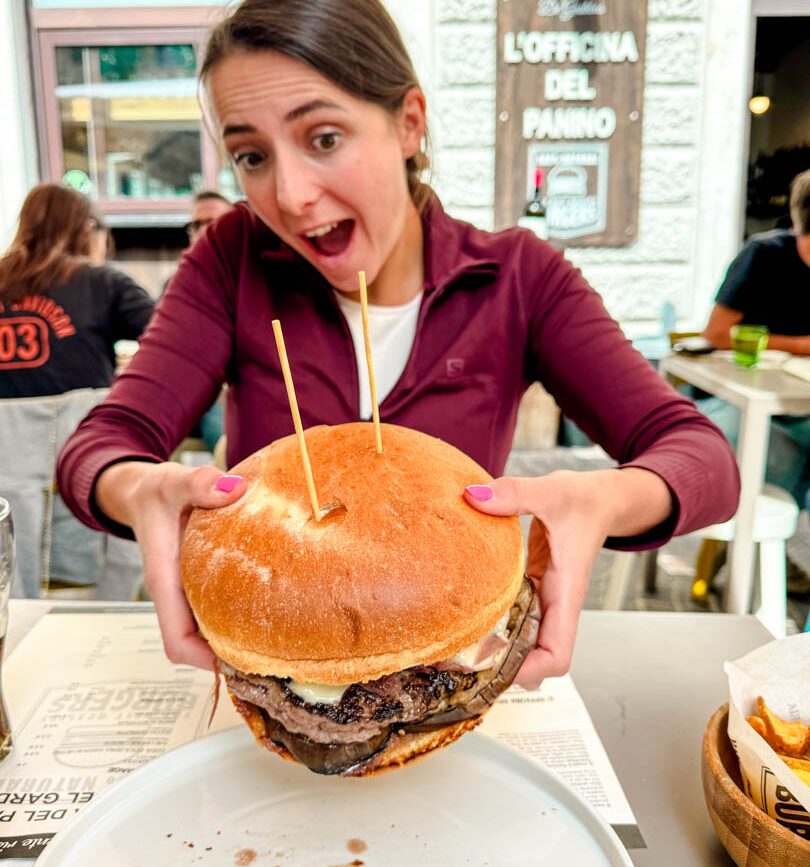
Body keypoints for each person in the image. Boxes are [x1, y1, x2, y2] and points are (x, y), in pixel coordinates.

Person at [57, 0, 739, 686]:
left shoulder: (519, 278)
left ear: (408, 123)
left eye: (323, 138)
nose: (290, 196)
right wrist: (140, 486)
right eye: (251, 155)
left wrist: (600, 501)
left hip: (451, 673)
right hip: (271, 670)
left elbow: (704, 456)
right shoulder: (231, 257)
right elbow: (100, 446)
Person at [0, 183, 154, 598]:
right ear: (86, 228)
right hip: (80, 456)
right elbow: (168, 341)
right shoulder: (101, 282)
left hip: (5, 472)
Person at [700, 169, 810, 504]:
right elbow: (716, 334)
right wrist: (798, 346)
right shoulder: (764, 255)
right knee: (763, 464)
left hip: (800, 404)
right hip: (744, 399)